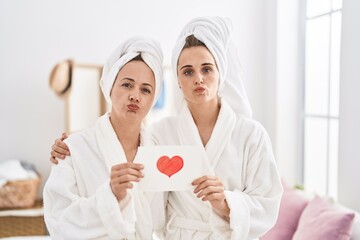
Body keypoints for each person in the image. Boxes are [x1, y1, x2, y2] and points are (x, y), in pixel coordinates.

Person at [50, 17, 283, 240]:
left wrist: (227, 203)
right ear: (178, 81)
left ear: (220, 73)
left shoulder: (252, 135)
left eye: (207, 69)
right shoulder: (162, 135)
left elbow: (268, 203)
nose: (198, 79)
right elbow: (120, 141)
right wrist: (73, 143)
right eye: (188, 71)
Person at [43, 36, 164, 239]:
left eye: (146, 89)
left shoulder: (159, 151)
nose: (135, 95)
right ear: (110, 86)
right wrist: (110, 196)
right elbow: (58, 218)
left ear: (153, 98)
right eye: (127, 85)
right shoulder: (73, 148)